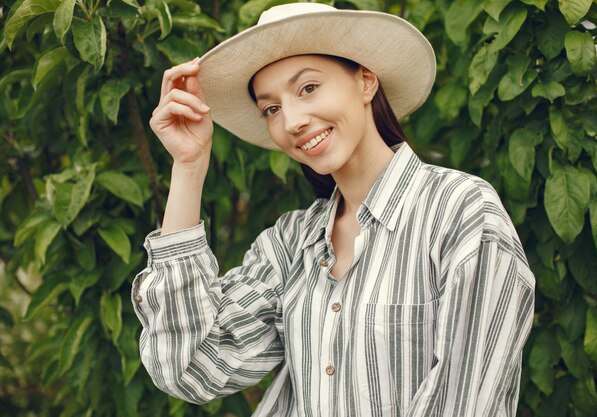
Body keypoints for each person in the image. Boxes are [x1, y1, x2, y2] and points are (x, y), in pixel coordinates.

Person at [131, 3, 535, 416]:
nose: (291, 121)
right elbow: (192, 365)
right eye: (271, 108)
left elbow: (465, 403)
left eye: (308, 88)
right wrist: (189, 165)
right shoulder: (291, 244)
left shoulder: (460, 213)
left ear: (365, 81)